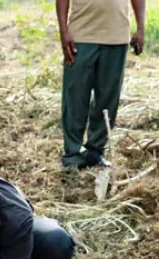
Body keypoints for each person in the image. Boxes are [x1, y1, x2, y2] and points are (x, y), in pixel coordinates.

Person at [56, 0, 145, 168]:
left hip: (116, 37)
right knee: (75, 95)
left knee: (107, 99)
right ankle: (73, 154)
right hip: (80, 36)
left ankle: (95, 152)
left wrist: (141, 28)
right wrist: (63, 31)